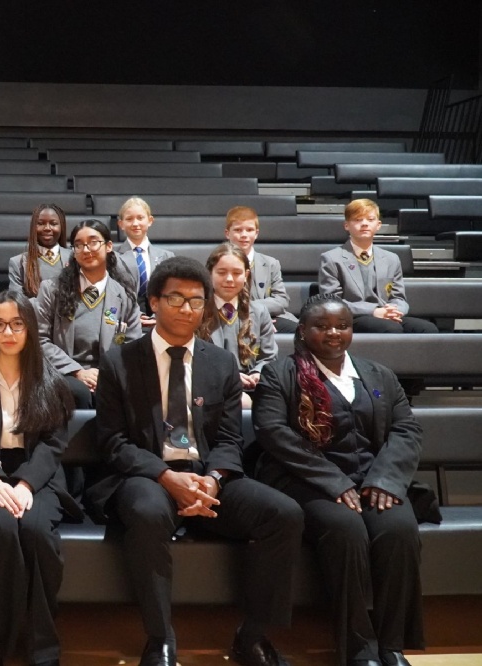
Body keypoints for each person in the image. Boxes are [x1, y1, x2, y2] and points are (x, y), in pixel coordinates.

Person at [86, 257, 304, 666]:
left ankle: (253, 635)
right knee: (146, 511)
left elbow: (229, 439)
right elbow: (113, 442)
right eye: (176, 299)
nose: (187, 309)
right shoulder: (119, 361)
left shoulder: (220, 362)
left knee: (283, 514)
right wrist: (166, 477)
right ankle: (160, 638)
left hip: (206, 476)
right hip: (148, 475)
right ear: (153, 302)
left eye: (196, 300)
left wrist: (214, 480)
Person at [253, 294, 424, 666]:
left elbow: (406, 430)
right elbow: (273, 432)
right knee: (347, 530)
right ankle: (359, 648)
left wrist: (385, 480)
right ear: (303, 330)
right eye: (323, 326)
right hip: (308, 481)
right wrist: (334, 481)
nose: (334, 333)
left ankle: (391, 645)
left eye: (342, 326)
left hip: (373, 481)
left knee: (398, 530)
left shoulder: (378, 374)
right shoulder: (280, 374)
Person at [0, 291, 81, 666]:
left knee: (37, 531)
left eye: (17, 324)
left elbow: (53, 444)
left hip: (36, 474)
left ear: (30, 328)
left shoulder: (50, 380)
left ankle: (43, 646)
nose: (8, 332)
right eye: (0, 324)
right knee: (1, 529)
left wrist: (25, 484)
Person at [36, 219, 141, 408]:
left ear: (108, 246)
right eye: (79, 245)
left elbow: (133, 345)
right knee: (79, 392)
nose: (86, 250)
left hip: (108, 373)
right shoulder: (52, 290)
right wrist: (77, 372)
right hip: (63, 373)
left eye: (93, 242)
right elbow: (40, 340)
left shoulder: (125, 295)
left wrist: (105, 374)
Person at [318, 199, 436, 334]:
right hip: (352, 317)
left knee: (427, 329)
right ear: (346, 225)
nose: (364, 224)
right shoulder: (331, 258)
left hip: (386, 314)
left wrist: (394, 311)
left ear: (378, 225)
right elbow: (332, 302)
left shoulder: (391, 259)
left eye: (370, 219)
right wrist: (373, 311)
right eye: (357, 220)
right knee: (391, 328)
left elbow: (399, 298)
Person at [197, 243, 277, 408]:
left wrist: (257, 372)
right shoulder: (198, 311)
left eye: (236, 273)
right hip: (211, 385)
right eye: (221, 272)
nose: (229, 279)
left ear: (246, 275)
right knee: (242, 403)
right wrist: (231, 376)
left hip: (253, 387)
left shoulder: (259, 312)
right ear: (209, 274)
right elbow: (194, 359)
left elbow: (269, 357)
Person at [224, 206, 297, 333]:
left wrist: (257, 312)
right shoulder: (218, 263)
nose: (244, 235)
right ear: (227, 233)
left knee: (303, 333)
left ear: (256, 233)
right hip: (232, 318)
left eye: (249, 230)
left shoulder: (271, 263)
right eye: (238, 230)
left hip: (271, 315)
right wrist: (251, 316)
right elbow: (216, 300)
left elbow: (281, 300)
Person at [115, 197, 175, 326]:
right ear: (121, 224)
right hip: (126, 320)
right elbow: (114, 293)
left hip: (160, 319)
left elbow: (170, 291)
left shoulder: (167, 256)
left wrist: (157, 315)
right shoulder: (113, 258)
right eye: (129, 219)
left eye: (140, 218)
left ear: (150, 221)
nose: (135, 223)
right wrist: (136, 316)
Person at [8, 204, 73, 299]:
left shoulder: (74, 257)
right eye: (41, 223)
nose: (47, 228)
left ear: (61, 227)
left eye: (53, 223)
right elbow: (17, 302)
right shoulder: (18, 263)